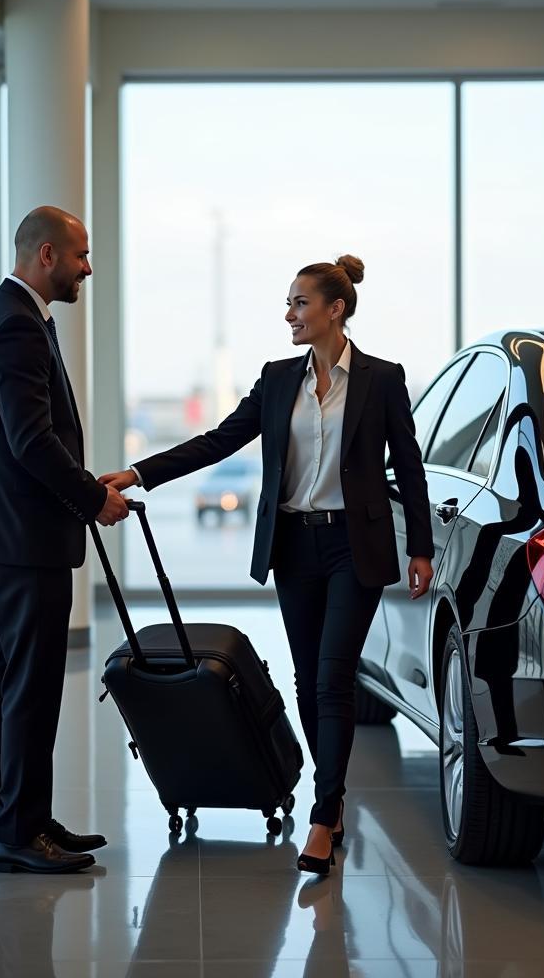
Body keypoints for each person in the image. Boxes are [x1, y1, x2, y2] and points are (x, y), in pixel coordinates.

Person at [103, 255, 434, 874]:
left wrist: (420, 546)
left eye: (300, 303)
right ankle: (331, 804)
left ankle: (322, 809)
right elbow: (220, 439)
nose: (289, 315)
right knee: (310, 680)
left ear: (335, 310)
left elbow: (408, 467)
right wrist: (144, 472)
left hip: (352, 547)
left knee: (333, 678)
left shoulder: (383, 379)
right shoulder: (278, 378)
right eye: (288, 304)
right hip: (294, 546)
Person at [0, 205, 130, 875]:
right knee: (28, 684)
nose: (88, 268)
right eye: (81, 255)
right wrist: (94, 498)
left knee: (0, 679)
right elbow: (32, 441)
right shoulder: (17, 328)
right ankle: (20, 835)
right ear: (47, 255)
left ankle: (0, 823)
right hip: (23, 537)